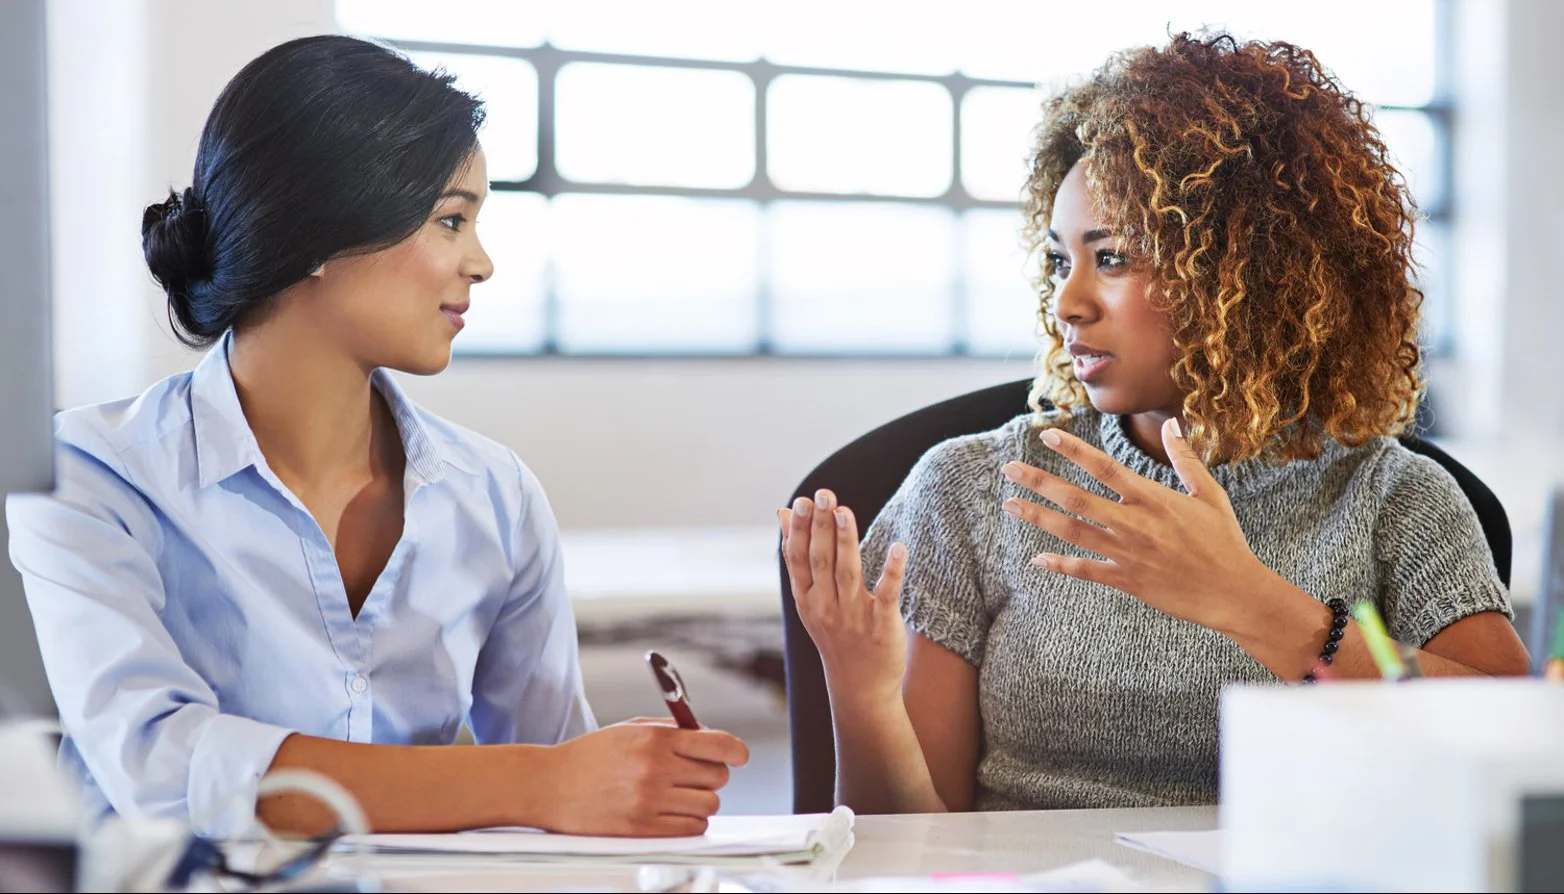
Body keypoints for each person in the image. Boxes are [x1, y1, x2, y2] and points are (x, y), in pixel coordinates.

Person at [6, 35, 747, 839]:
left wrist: (622, 787)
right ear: (318, 232)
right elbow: (161, 765)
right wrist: (537, 781)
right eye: (451, 221)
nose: (483, 263)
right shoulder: (91, 474)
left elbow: (559, 785)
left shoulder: (495, 495)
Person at [780, 31, 1530, 815]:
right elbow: (908, 848)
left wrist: (1259, 606)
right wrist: (859, 691)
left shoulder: (1392, 497)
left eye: (1112, 258)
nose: (1068, 302)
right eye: (1058, 260)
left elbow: (1515, 740)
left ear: (1244, 269)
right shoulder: (970, 491)